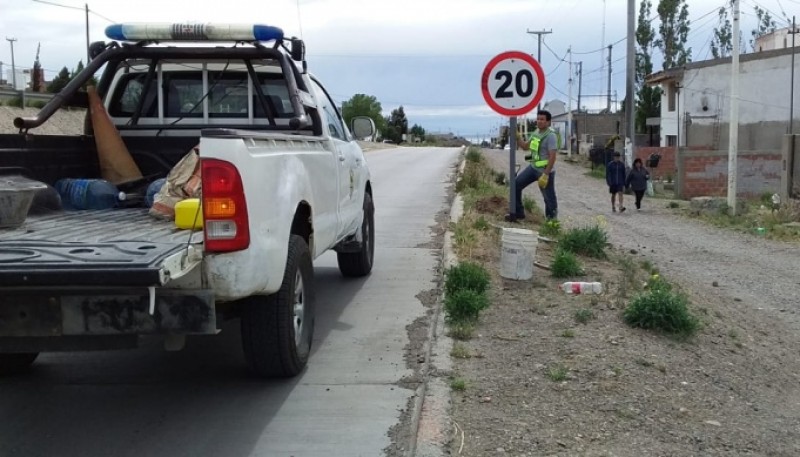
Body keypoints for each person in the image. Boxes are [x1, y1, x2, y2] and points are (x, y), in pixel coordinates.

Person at [505, 110, 558, 221]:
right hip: (533, 168)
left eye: (542, 119)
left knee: (549, 199)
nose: (539, 121)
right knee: (515, 185)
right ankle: (519, 212)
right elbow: (525, 147)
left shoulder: (551, 136)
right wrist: (518, 137)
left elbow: (552, 157)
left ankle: (552, 223)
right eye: (538, 119)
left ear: (548, 122)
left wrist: (546, 175)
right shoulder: (535, 133)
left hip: (544, 171)